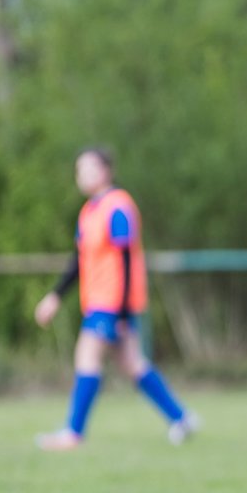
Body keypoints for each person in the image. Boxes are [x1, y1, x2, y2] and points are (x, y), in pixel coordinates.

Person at [33, 148, 197, 450]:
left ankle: (73, 432)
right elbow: (79, 261)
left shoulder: (118, 207)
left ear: (106, 171)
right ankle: (181, 417)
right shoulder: (88, 212)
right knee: (132, 363)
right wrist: (55, 297)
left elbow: (124, 260)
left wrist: (121, 312)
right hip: (99, 300)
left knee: (87, 356)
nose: (80, 175)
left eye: (87, 168)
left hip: (111, 302)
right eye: (78, 169)